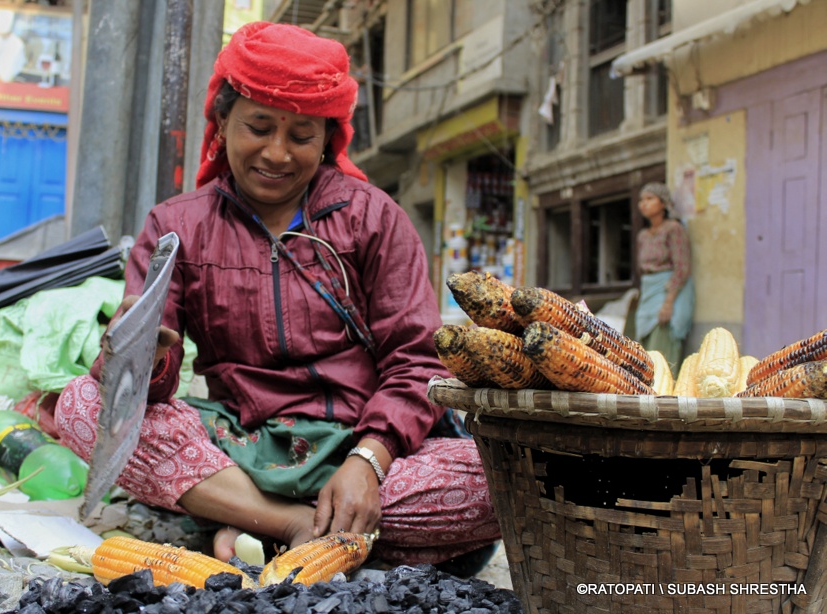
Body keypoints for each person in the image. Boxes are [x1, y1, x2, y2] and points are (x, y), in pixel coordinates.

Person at [53, 21, 500, 571]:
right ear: (222, 122)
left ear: (327, 138)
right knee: (80, 404)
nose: (277, 153)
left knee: (502, 469)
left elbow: (416, 361)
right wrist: (141, 350)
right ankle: (295, 526)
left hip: (357, 449)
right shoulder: (175, 227)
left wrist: (368, 460)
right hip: (235, 445)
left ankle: (239, 519)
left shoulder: (373, 218)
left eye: (301, 136)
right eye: (258, 127)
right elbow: (138, 393)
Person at [634, 182, 695, 374]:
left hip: (667, 291)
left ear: (663, 203)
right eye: (641, 200)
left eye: (650, 199)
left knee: (662, 345)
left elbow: (682, 267)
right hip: (649, 291)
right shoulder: (643, 235)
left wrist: (668, 302)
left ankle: (663, 393)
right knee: (643, 350)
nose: (644, 204)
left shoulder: (673, 229)